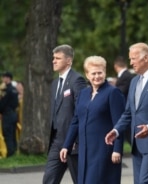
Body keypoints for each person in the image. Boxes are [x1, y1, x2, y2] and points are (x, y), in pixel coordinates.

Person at [105, 42, 148, 184]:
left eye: (134, 58)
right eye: (130, 59)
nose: (131, 62)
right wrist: (116, 131)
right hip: (136, 144)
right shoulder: (134, 81)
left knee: (145, 181)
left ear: (146, 58)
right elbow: (128, 113)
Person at [60, 56, 125, 184]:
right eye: (93, 73)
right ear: (87, 75)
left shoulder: (113, 93)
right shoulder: (83, 94)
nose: (97, 76)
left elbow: (120, 123)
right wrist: (66, 145)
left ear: (105, 72)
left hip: (104, 151)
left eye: (100, 72)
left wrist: (117, 149)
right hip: (84, 151)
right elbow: (76, 121)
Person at [43, 44, 87, 184]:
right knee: (49, 180)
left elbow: (81, 111)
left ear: (68, 61)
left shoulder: (77, 80)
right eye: (53, 58)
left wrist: (75, 139)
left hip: (73, 142)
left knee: (80, 180)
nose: (53, 61)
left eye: (58, 58)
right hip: (56, 141)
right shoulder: (55, 83)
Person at [114, 56, 135, 145]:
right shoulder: (128, 75)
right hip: (126, 109)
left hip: (126, 108)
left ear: (115, 66)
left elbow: (120, 91)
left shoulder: (125, 76)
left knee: (128, 133)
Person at [0, 72, 18, 157]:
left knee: (7, 134)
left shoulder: (6, 90)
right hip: (13, 114)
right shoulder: (14, 89)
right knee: (13, 134)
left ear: (8, 78)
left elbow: (2, 103)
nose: (3, 79)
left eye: (4, 77)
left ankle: (10, 153)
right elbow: (16, 103)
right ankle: (14, 151)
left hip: (7, 114)